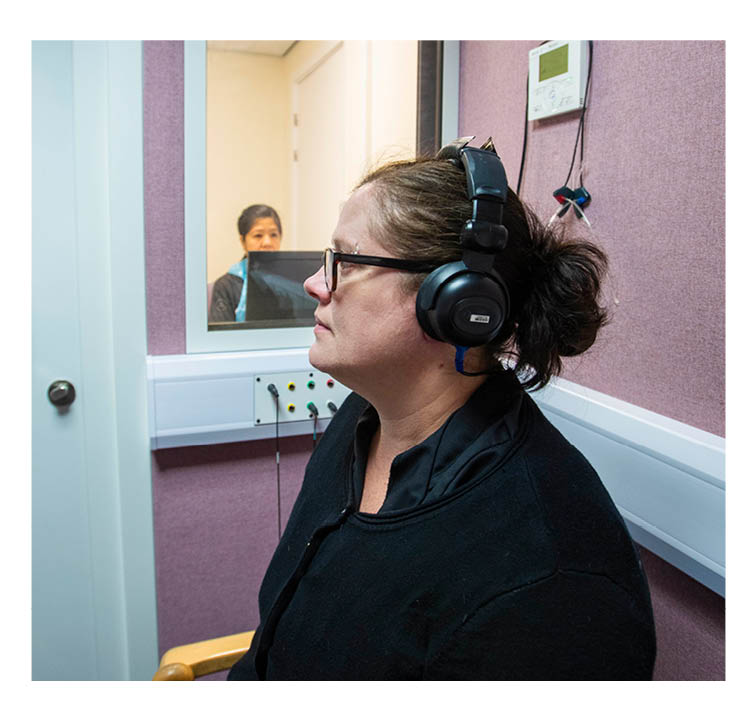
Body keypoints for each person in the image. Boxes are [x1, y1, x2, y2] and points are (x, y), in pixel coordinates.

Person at [227, 137, 656, 680]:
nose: (314, 283)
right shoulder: (363, 418)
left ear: (456, 300)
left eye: (345, 262)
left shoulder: (548, 576)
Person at [209, 204, 283, 322]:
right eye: (258, 235)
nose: (267, 242)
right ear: (243, 241)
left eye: (274, 235)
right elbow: (220, 337)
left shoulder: (291, 282)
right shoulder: (226, 286)